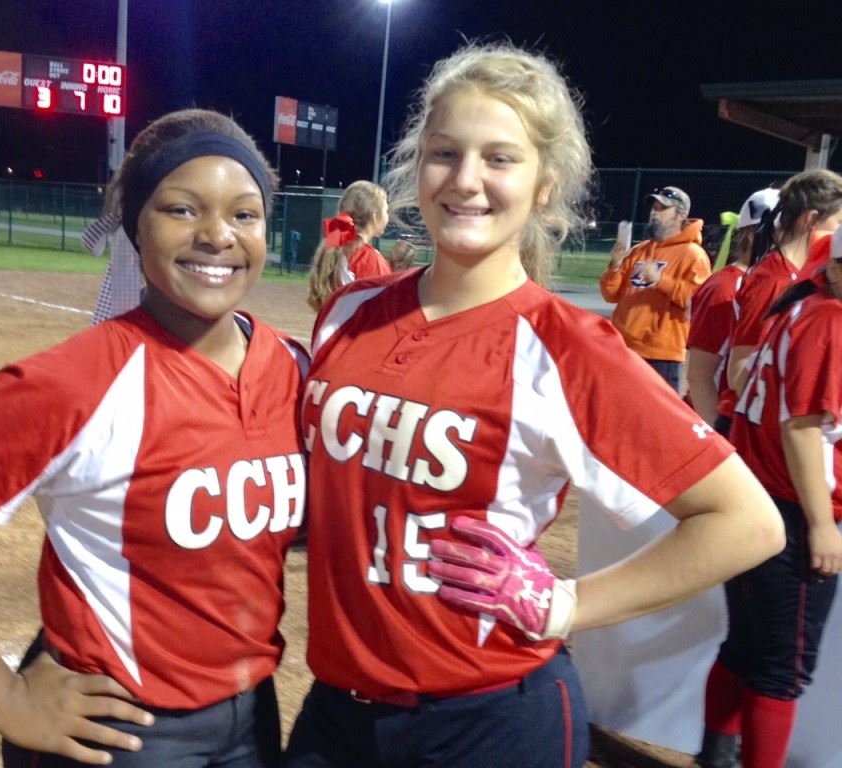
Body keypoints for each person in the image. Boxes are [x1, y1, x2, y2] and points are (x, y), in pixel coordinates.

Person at [285, 42, 784, 768]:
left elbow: (748, 523)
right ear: (415, 165)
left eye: (500, 158)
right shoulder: (349, 311)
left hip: (487, 719)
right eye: (444, 153)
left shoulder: (566, 347)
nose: (466, 181)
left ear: (545, 184)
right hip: (338, 713)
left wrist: (568, 606)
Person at [0, 108, 308, 768]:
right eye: (181, 209)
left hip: (253, 724)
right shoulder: (75, 382)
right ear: (136, 225)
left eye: (245, 214)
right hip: (122, 735)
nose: (217, 235)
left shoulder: (297, 368)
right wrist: (6, 698)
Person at [696, 229, 842, 768]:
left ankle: (714, 757)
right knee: (782, 670)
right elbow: (802, 428)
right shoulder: (829, 319)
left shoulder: (801, 308)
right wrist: (822, 524)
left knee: (748, 650)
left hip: (760, 498)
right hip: (793, 510)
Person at [727, 169, 842, 395]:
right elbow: (738, 372)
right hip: (760, 425)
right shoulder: (774, 280)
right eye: (839, 222)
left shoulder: (797, 275)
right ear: (810, 220)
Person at [599, 184, 711, 393]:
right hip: (624, 348)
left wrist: (661, 280)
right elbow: (610, 294)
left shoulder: (693, 255)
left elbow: (698, 303)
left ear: (681, 215)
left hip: (662, 355)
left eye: (662, 209)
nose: (654, 213)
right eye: (654, 208)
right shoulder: (638, 251)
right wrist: (614, 266)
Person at [686, 188, 779, 432]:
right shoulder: (724, 287)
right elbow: (699, 376)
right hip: (719, 426)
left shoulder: (770, 282)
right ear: (751, 234)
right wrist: (722, 439)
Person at [306, 180, 390, 311]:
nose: (387, 216)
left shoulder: (335, 246)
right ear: (375, 216)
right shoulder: (368, 259)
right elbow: (382, 312)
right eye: (386, 210)